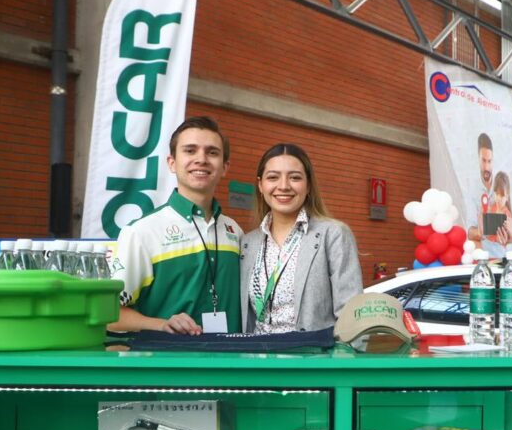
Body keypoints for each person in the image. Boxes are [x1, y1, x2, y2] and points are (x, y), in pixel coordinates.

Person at [108, 116, 242, 334]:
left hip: (232, 355)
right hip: (168, 355)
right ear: (172, 163)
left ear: (225, 167)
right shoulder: (141, 232)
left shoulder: (235, 231)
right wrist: (160, 324)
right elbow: (110, 314)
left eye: (212, 152)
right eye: (190, 150)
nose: (201, 159)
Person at [240, 143, 363, 334]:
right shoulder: (248, 243)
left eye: (295, 178)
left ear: (308, 186)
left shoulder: (333, 234)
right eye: (273, 177)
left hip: (312, 352)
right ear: (260, 185)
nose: (283, 186)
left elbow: (351, 314)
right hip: (257, 351)